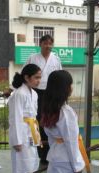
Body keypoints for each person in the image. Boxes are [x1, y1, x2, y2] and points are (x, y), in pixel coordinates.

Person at [40, 70, 85, 173]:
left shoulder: (49, 110)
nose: (72, 87)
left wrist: (54, 153)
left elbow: (53, 139)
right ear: (65, 88)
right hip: (67, 161)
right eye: (70, 84)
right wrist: (77, 165)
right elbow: (71, 142)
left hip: (55, 158)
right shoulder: (66, 112)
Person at [6, 63, 42, 173]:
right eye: (36, 77)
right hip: (21, 134)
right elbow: (15, 118)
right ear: (26, 77)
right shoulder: (18, 94)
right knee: (24, 167)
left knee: (33, 164)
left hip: (32, 131)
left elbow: (33, 116)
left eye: (40, 77)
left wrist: (37, 134)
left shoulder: (34, 93)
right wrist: (17, 140)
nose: (39, 80)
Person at [25, 34, 62, 165]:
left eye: (50, 43)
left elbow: (60, 77)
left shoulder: (56, 59)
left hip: (51, 94)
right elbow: (24, 74)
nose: (48, 46)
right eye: (45, 43)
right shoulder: (32, 58)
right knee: (36, 121)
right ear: (40, 44)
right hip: (36, 92)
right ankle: (39, 153)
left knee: (50, 121)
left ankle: (49, 153)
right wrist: (14, 87)